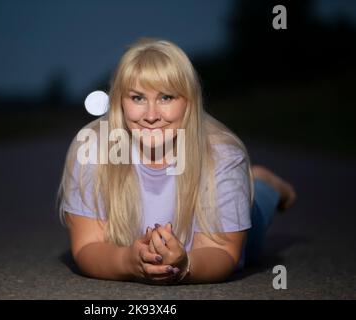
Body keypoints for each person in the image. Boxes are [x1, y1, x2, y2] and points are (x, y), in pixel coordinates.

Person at [57, 38, 296, 285]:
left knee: (255, 219)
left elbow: (224, 252)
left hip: (220, 234)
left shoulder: (223, 155)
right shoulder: (92, 148)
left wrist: (185, 265)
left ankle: (265, 183)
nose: (151, 115)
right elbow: (87, 246)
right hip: (137, 247)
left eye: (166, 97)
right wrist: (128, 262)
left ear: (189, 103)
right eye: (138, 98)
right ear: (120, 102)